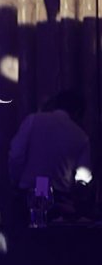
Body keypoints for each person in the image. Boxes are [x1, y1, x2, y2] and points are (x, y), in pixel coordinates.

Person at [8, 90, 92, 220]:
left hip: (28, 192)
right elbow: (83, 176)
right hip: (59, 199)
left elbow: (16, 154)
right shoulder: (81, 136)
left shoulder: (33, 120)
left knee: (24, 230)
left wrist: (16, 179)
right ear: (78, 111)